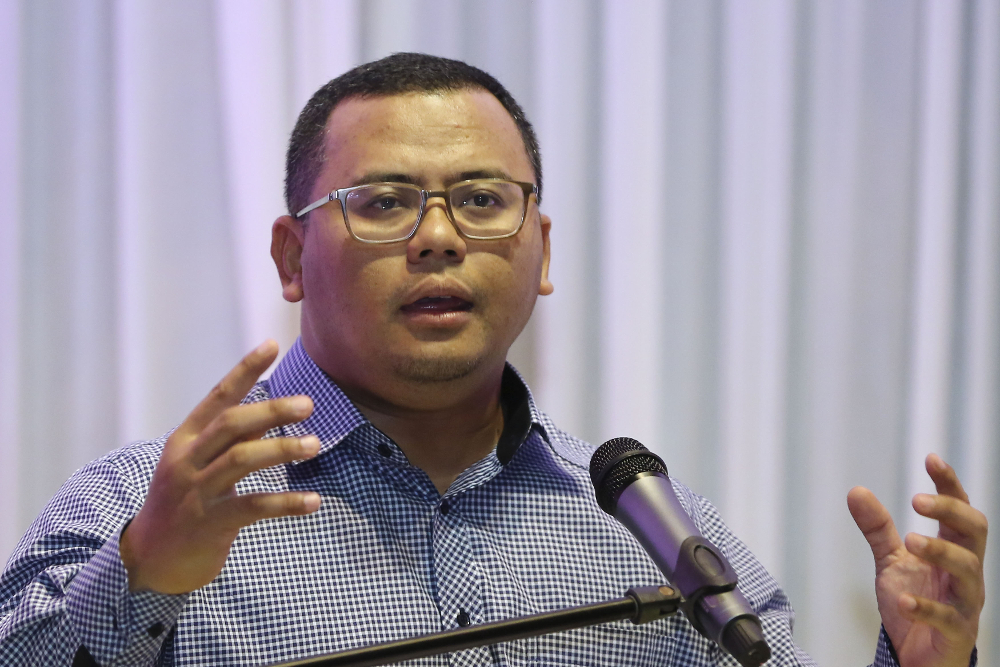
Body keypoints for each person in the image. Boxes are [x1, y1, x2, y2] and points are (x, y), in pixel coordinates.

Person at [0, 53, 986, 667]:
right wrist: (144, 572)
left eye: (480, 199)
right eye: (384, 202)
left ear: (541, 250)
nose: (438, 237)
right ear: (292, 256)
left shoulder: (647, 528)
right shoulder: (143, 507)